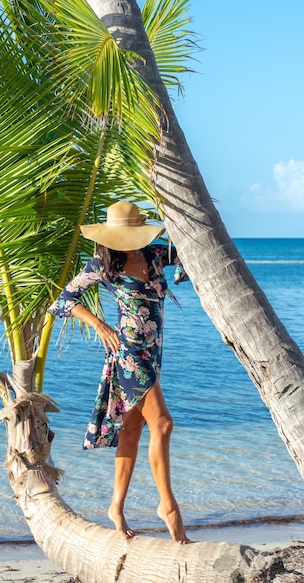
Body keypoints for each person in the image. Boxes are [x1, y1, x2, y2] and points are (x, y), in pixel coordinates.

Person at [48, 200, 190, 544]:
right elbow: (63, 301)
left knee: (132, 431)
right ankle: (168, 507)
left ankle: (116, 507)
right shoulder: (103, 263)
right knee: (163, 424)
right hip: (127, 352)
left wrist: (182, 267)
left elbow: (190, 251)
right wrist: (98, 325)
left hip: (153, 352)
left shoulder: (156, 253)